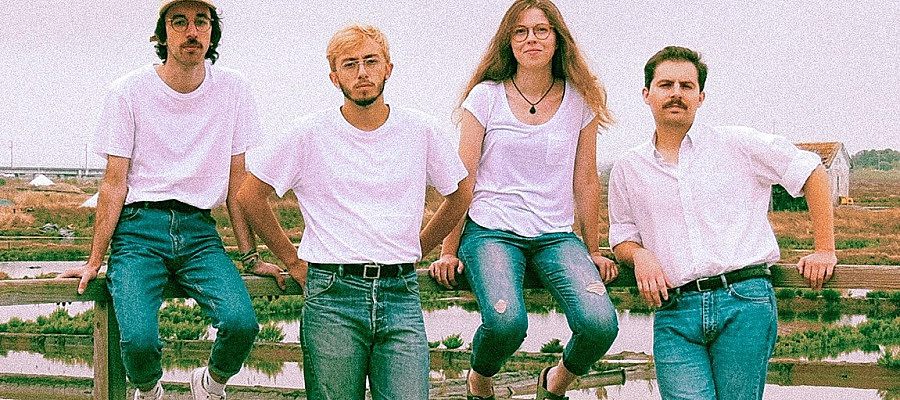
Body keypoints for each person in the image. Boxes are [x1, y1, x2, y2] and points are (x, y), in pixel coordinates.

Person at [57, 1, 284, 399]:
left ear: (212, 32)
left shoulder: (234, 89)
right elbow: (114, 183)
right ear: (163, 34)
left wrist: (251, 257)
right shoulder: (128, 91)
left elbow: (238, 182)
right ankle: (148, 391)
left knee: (242, 323)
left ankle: (209, 385)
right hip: (138, 233)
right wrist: (94, 261)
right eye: (179, 22)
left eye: (201, 21)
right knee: (138, 340)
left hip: (199, 232)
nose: (191, 31)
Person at [236, 24, 472, 400]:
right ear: (335, 77)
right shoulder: (308, 133)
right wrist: (292, 261)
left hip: (400, 293)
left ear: (388, 69)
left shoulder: (420, 130)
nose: (362, 72)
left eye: (370, 61)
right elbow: (250, 196)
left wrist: (418, 248)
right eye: (350, 64)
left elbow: (459, 195)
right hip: (332, 296)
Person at [607, 46, 837, 400]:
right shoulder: (628, 167)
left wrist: (824, 249)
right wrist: (639, 255)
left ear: (700, 97)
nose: (676, 93)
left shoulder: (737, 144)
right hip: (675, 310)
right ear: (646, 94)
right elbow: (622, 234)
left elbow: (812, 171)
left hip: (744, 301)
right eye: (666, 84)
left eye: (686, 86)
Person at [429, 1, 619, 398]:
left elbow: (586, 180)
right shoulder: (485, 97)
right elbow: (465, 179)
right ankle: (479, 379)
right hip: (490, 231)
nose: (531, 38)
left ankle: (555, 382)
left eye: (541, 30)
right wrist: (448, 251)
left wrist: (593, 250)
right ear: (509, 41)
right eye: (520, 31)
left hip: (555, 235)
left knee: (600, 324)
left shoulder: (579, 101)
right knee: (507, 325)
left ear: (557, 39)